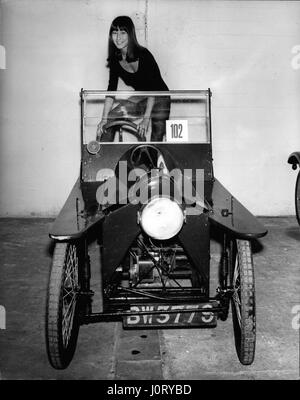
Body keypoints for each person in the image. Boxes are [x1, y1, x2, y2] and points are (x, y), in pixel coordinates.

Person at [97, 15, 170, 142]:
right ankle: (104, 157)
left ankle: (152, 161)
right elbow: (111, 90)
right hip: (141, 96)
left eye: (123, 32)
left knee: (157, 136)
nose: (118, 38)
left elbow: (152, 88)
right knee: (112, 117)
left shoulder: (144, 55)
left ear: (130, 34)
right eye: (115, 32)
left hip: (160, 96)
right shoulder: (115, 59)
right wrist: (104, 120)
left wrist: (146, 119)